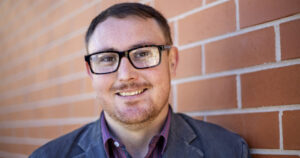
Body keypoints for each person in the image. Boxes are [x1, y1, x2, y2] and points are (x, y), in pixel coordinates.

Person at [30, 2, 250, 158]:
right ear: (90, 71)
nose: (126, 75)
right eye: (107, 58)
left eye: (143, 53)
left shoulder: (228, 150)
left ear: (172, 62)